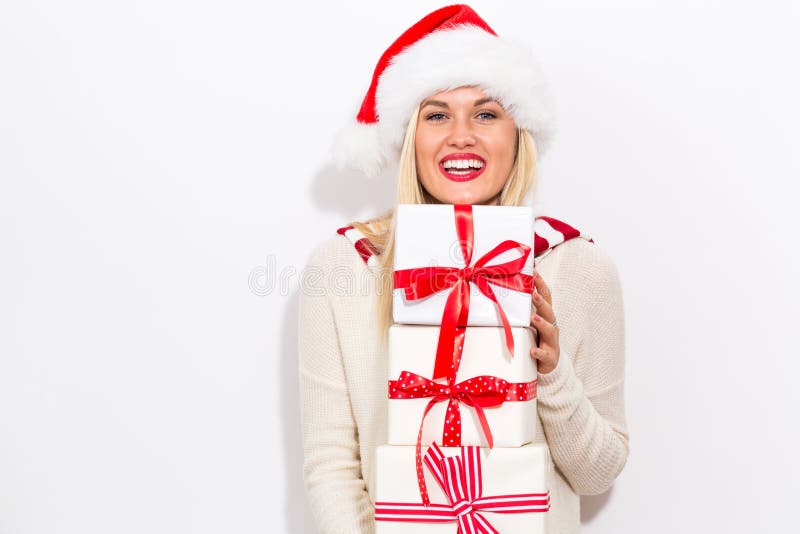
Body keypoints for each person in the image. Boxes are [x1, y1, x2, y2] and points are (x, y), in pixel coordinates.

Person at [298, 5, 629, 533]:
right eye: (436, 114)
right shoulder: (341, 269)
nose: (461, 135)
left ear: (518, 134)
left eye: (486, 113)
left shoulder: (579, 267)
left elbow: (598, 475)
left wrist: (551, 370)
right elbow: (332, 466)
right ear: (410, 139)